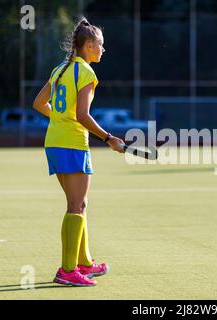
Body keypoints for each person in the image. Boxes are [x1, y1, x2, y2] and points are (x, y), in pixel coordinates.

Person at [33, 17, 125, 287]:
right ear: (88, 45)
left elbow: (39, 104)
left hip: (54, 141)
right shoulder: (86, 72)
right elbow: (83, 115)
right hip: (72, 143)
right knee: (77, 205)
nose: (103, 50)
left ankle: (84, 263)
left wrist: (59, 118)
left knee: (79, 204)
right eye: (100, 45)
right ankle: (67, 270)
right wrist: (108, 138)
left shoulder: (60, 68)